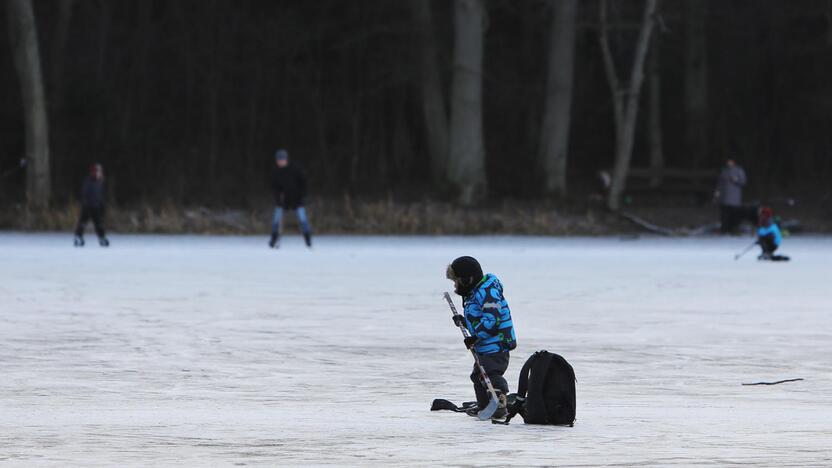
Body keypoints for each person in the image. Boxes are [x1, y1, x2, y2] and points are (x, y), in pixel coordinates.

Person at [446, 256, 517, 419]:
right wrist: (464, 322)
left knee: (490, 373)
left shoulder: (488, 291)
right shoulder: (475, 292)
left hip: (497, 344)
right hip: (485, 345)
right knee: (478, 375)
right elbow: (478, 317)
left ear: (467, 279)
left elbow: (492, 319)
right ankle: (484, 405)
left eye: (456, 281)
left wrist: (476, 337)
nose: (455, 286)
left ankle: (499, 402)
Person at [270, 149, 312, 248]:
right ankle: (273, 239)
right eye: (279, 160)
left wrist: (303, 196)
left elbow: (304, 183)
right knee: (276, 219)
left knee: (303, 219)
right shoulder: (276, 172)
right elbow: (275, 188)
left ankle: (308, 240)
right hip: (283, 199)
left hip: (297, 198)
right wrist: (278, 199)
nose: (281, 162)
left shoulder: (295, 168)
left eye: (282, 159)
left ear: (286, 160)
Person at [73, 163, 109, 247]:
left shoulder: (100, 182)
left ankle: (102, 238)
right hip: (88, 206)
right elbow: (84, 193)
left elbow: (101, 194)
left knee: (99, 223)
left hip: (96, 206)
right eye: (98, 171)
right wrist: (85, 203)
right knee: (82, 222)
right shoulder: (89, 181)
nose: (99, 173)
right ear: (94, 172)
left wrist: (102, 204)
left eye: (100, 172)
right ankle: (78, 237)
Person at [713, 159, 750, 233]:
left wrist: (736, 180)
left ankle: (734, 229)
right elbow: (720, 183)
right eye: (728, 161)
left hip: (735, 198)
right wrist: (717, 193)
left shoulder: (739, 170)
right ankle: (724, 229)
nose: (729, 163)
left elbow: (743, 182)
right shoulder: (724, 170)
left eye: (731, 161)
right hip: (724, 197)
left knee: (734, 214)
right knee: (724, 214)